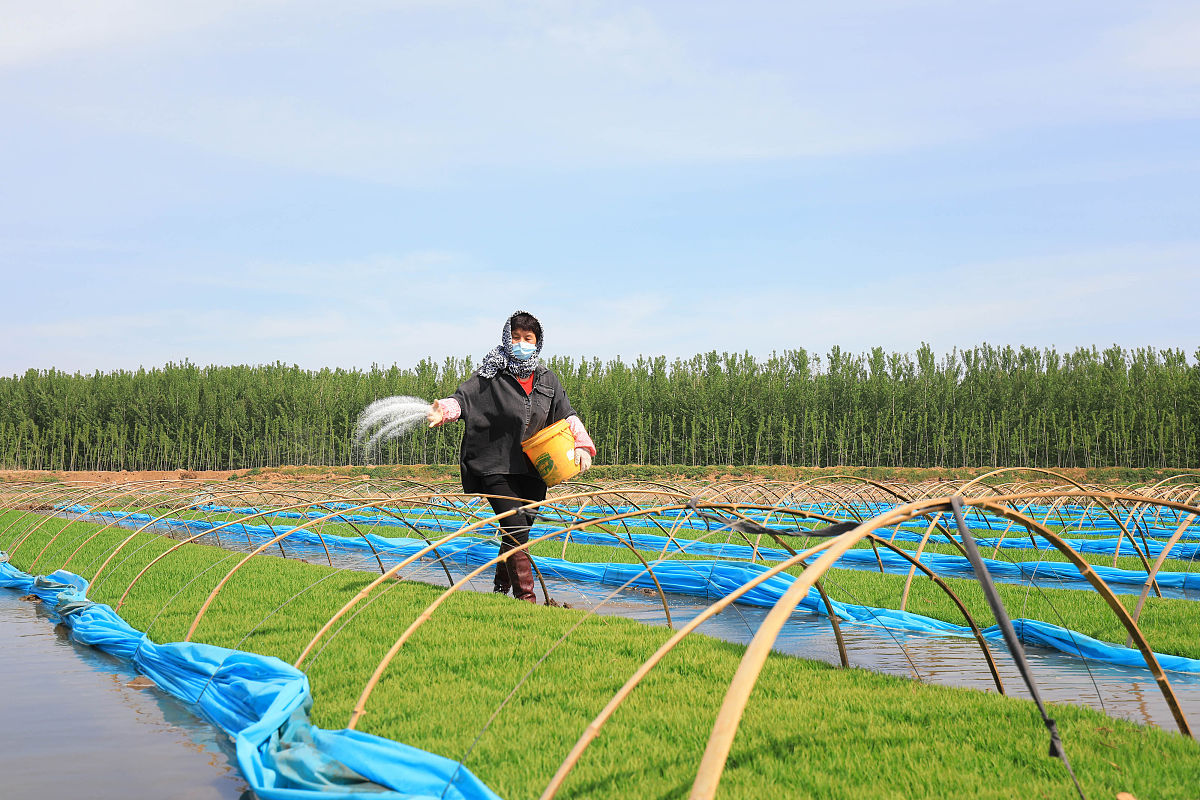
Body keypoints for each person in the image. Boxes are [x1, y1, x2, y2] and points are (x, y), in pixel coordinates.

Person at [426, 310, 595, 602]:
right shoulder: (491, 375)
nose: (521, 343)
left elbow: (567, 415)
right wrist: (445, 410)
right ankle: (526, 600)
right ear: (507, 338)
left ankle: (500, 589)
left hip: (534, 471)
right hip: (497, 467)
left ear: (537, 342)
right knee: (516, 528)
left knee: (516, 533)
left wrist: (582, 445)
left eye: (527, 338)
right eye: (516, 337)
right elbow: (463, 399)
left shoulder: (547, 379)